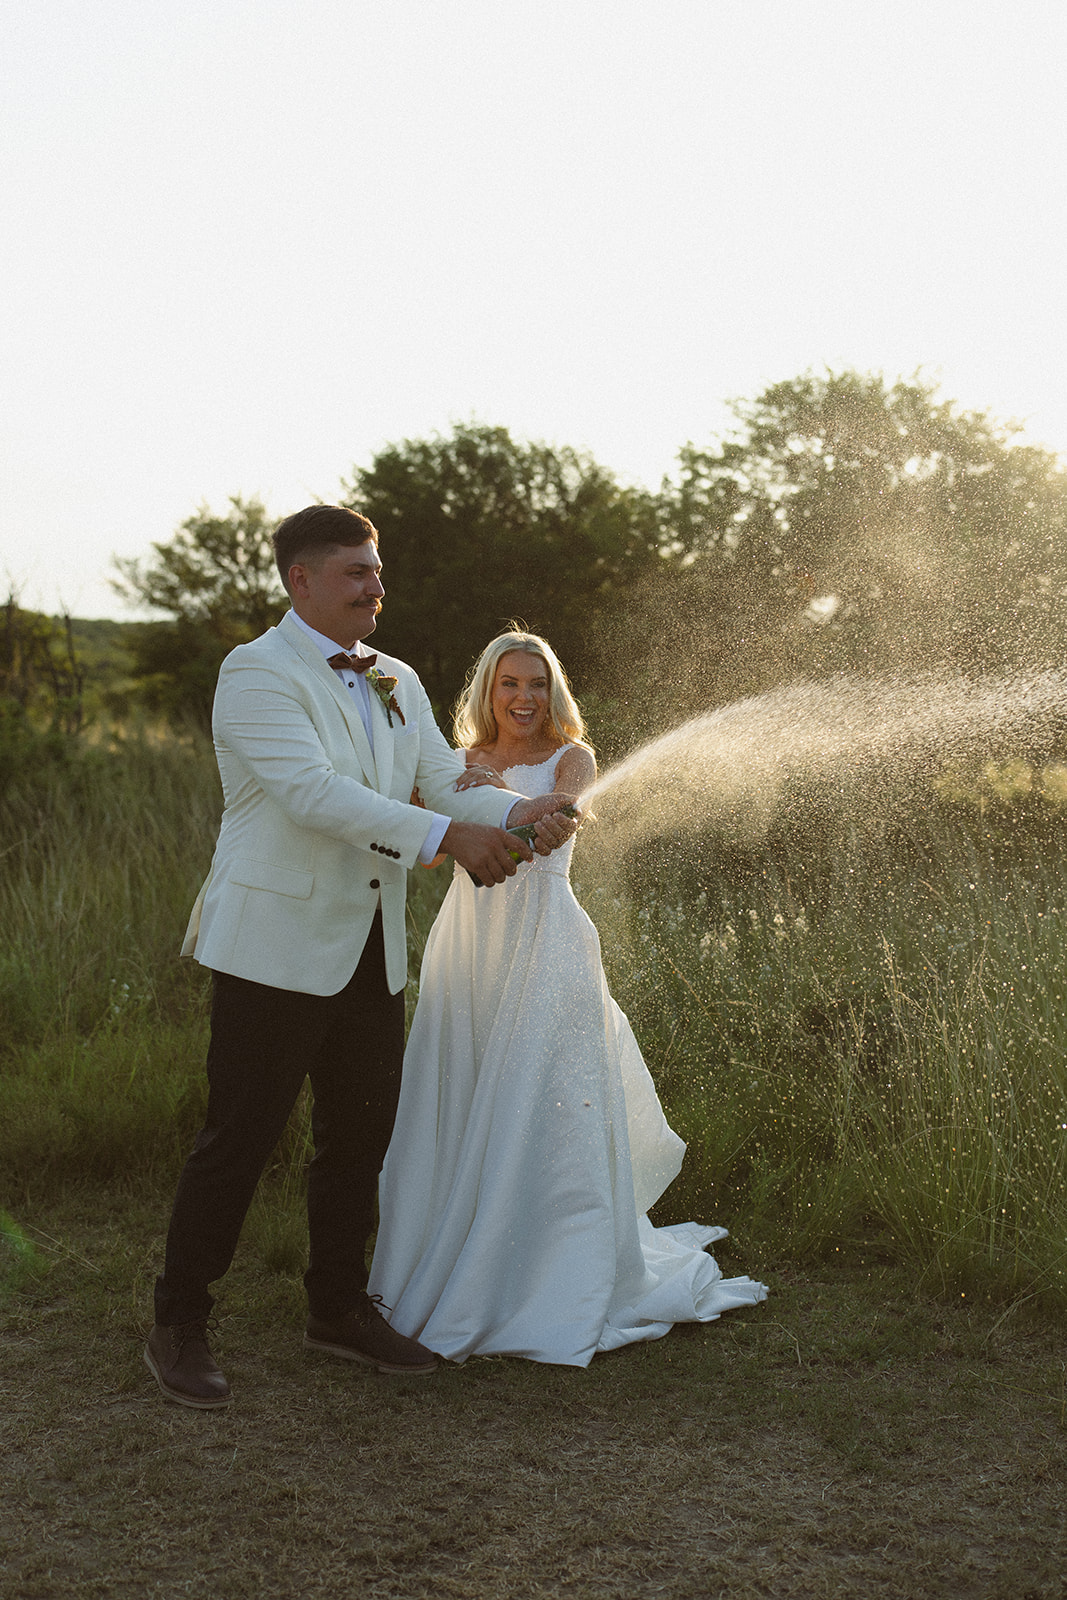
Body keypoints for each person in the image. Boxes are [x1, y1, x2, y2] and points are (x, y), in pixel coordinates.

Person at [145, 509, 576, 1408]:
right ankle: (179, 1322)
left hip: (370, 954)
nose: (376, 587)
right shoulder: (254, 673)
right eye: (356, 573)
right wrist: (448, 840)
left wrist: (518, 815)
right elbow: (313, 795)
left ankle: (336, 1309)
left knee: (357, 1144)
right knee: (239, 1140)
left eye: (377, 571)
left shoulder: (399, 678)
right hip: (273, 948)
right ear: (301, 580)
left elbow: (444, 778)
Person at [369, 630, 768, 1365]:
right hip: (471, 940)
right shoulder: (458, 764)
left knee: (543, 1092)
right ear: (487, 692)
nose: (524, 699)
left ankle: (547, 1271)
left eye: (537, 684)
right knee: (464, 1085)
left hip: (545, 939)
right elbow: (438, 840)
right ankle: (451, 1247)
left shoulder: (572, 757)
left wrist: (550, 815)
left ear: (553, 692)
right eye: (509, 685)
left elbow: (559, 823)